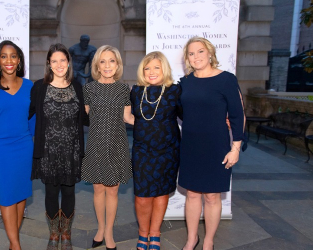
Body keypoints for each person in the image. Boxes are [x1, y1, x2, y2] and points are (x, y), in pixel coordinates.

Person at [178, 37, 245, 250]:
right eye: (191, 53)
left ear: (210, 53)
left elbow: (237, 115)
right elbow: (177, 110)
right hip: (190, 144)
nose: (196, 56)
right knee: (192, 194)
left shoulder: (226, 79)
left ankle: (208, 241)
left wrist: (235, 148)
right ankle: (192, 239)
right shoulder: (185, 82)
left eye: (200, 51)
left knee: (212, 196)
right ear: (187, 58)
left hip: (216, 144)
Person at [29, 43, 89, 250]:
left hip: (71, 151)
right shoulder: (39, 87)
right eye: (54, 61)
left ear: (68, 62)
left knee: (70, 193)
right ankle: (54, 234)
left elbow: (87, 118)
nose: (59, 64)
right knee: (51, 193)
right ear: (49, 64)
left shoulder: (77, 87)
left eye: (62, 60)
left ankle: (67, 233)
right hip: (47, 153)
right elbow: (25, 113)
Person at [0, 40, 35, 250]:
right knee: (6, 195)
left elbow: (33, 118)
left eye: (13, 56)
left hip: (24, 146)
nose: (9, 60)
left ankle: (13, 241)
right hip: (0, 148)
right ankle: (15, 244)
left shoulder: (30, 86)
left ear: (19, 60)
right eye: (4, 56)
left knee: (21, 194)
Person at [82, 45, 134, 250]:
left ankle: (110, 232)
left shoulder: (123, 89)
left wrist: (156, 121)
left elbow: (128, 117)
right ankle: (100, 229)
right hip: (95, 143)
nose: (107, 65)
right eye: (102, 61)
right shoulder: (89, 89)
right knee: (98, 189)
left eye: (111, 60)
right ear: (96, 65)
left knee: (112, 191)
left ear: (118, 64)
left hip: (117, 144)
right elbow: (82, 116)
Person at [130, 51, 182, 250]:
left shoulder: (174, 91)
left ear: (164, 69)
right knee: (142, 196)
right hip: (142, 150)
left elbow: (190, 115)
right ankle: (143, 233)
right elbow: (128, 116)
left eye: (156, 67)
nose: (151, 72)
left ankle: (155, 234)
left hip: (168, 150)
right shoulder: (135, 91)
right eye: (147, 68)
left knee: (161, 194)